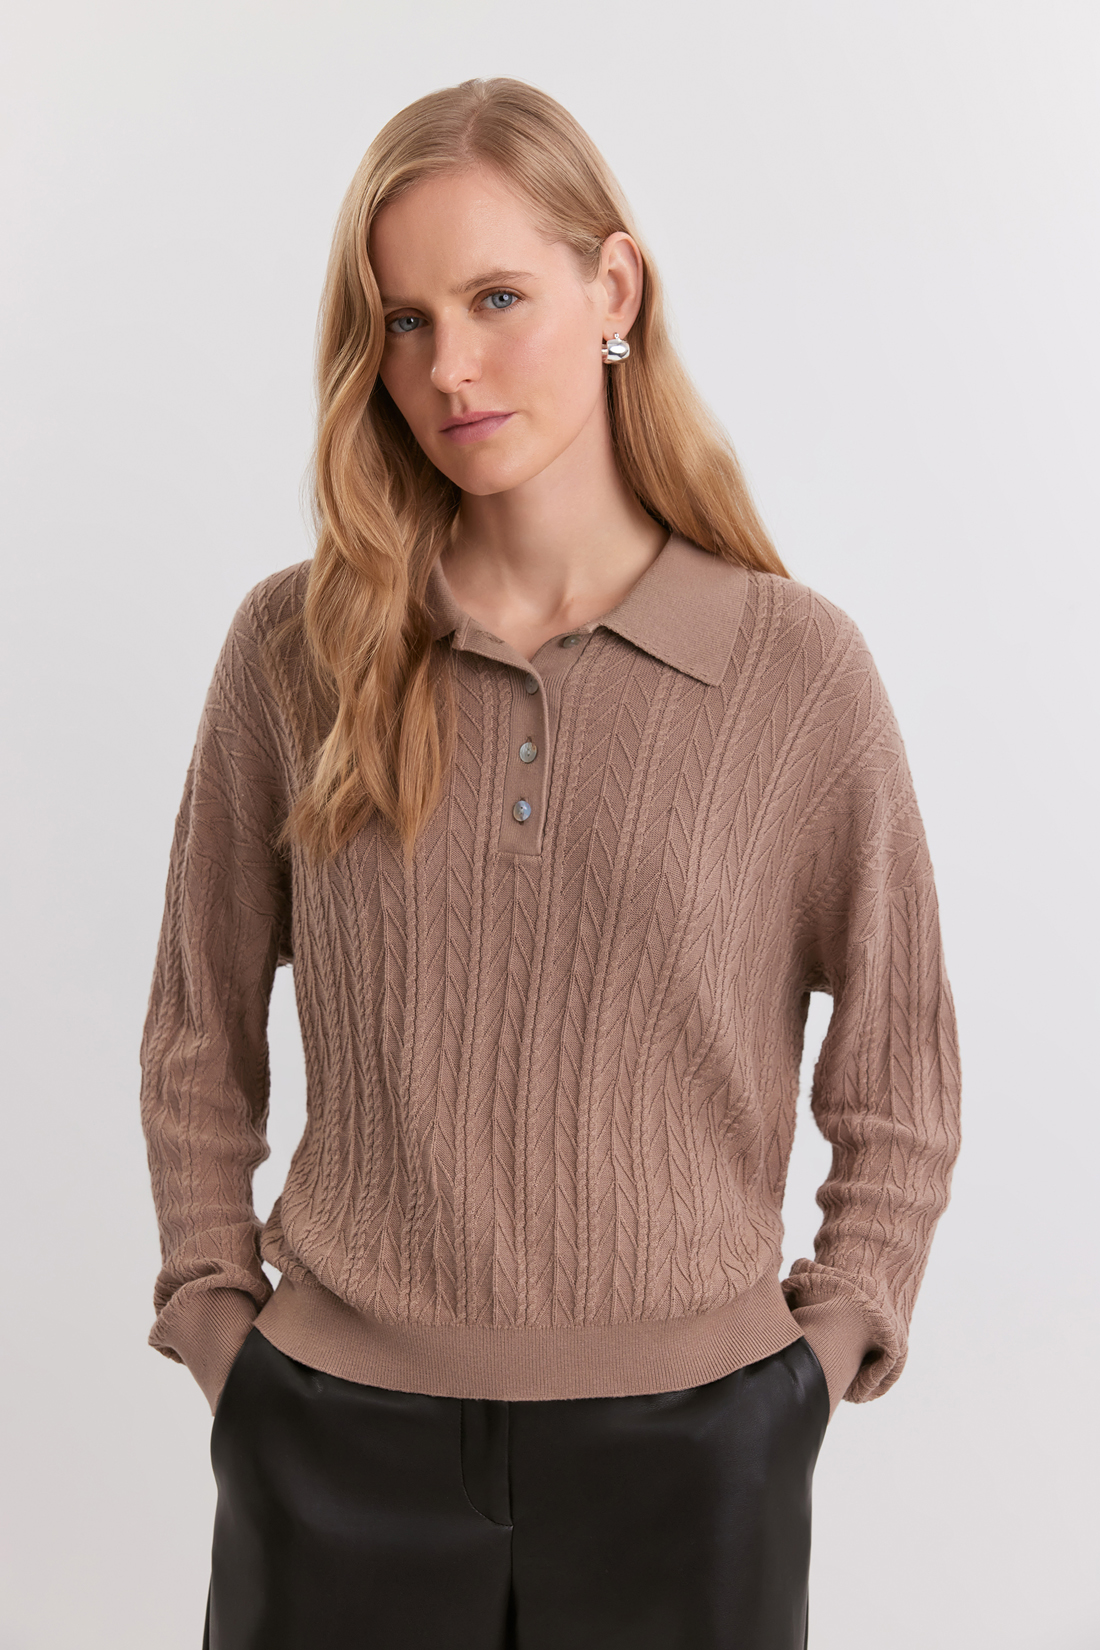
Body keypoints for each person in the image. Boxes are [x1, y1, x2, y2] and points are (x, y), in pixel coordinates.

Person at [140, 75, 962, 1650]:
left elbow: (902, 1067)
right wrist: (217, 1317)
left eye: (496, 298)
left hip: (695, 1456)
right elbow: (198, 1029)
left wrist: (829, 1340)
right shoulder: (298, 648)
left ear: (616, 290)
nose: (447, 367)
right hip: (333, 1442)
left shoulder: (794, 671)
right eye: (403, 321)